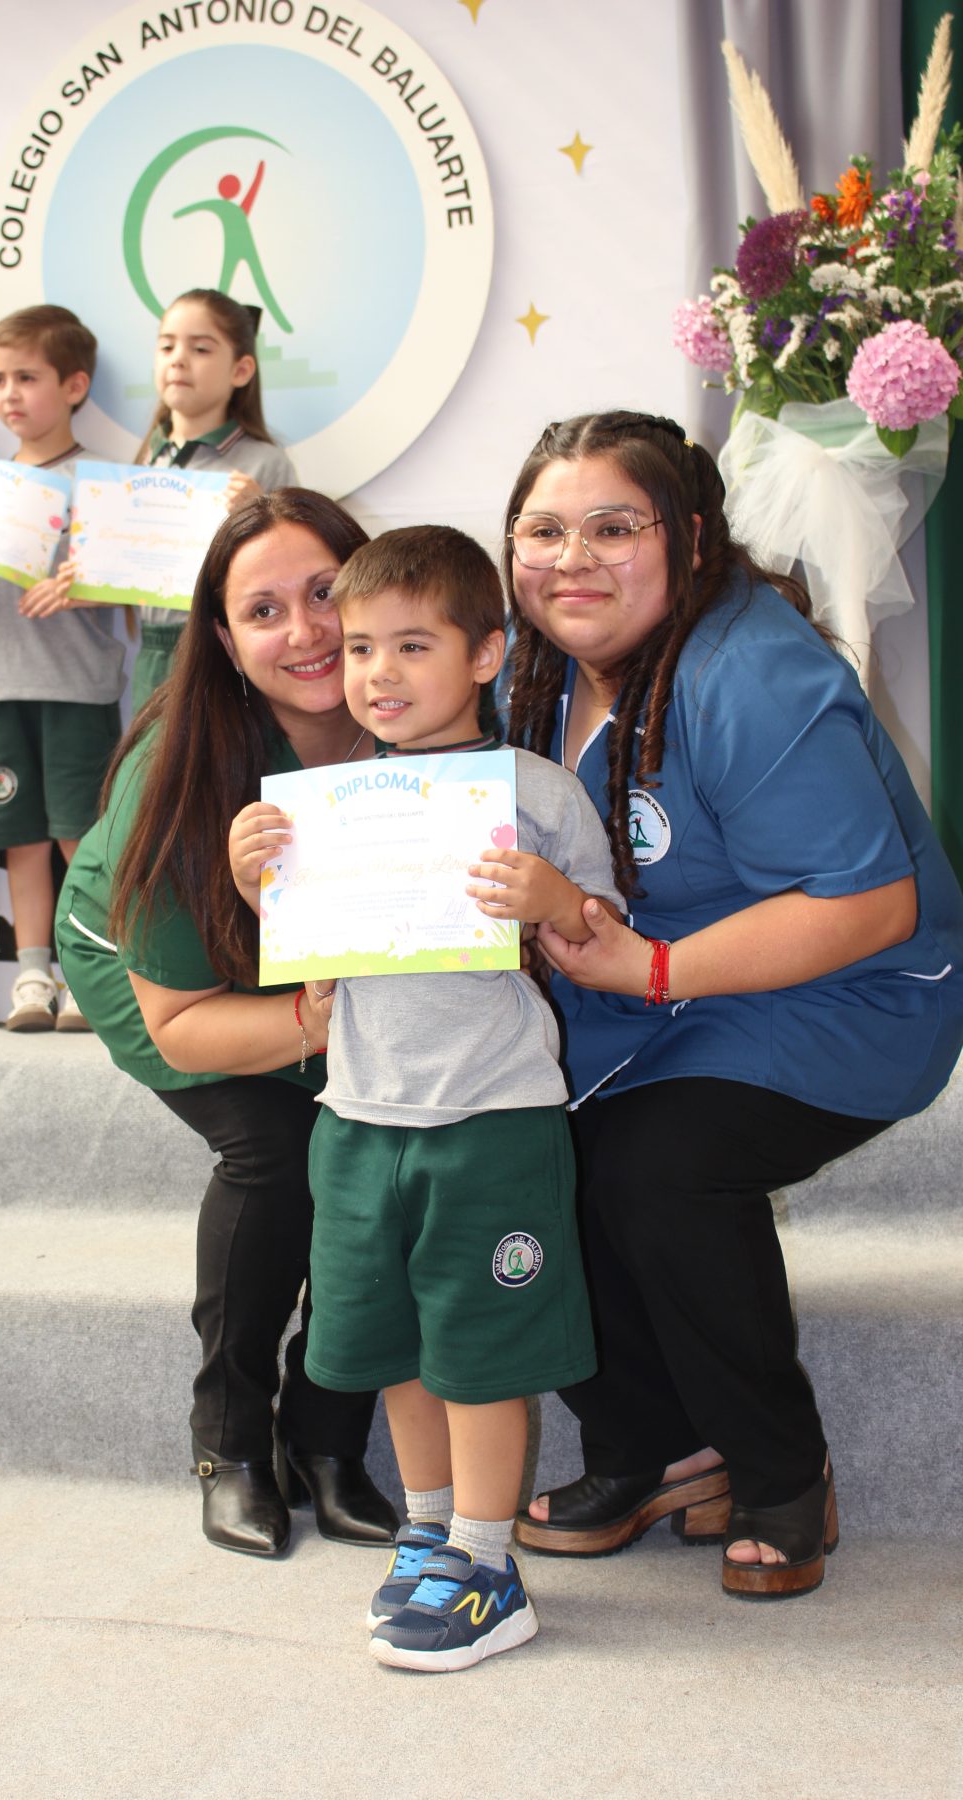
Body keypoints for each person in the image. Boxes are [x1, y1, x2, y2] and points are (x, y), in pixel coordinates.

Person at [501, 411, 963, 1600]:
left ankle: (779, 1467)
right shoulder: (533, 670)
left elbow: (869, 907)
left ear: (693, 537)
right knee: (509, 1152)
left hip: (843, 993)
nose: (572, 559)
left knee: (656, 1167)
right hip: (645, 996)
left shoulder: (752, 670)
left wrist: (651, 972)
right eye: (543, 531)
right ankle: (655, 1449)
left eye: (615, 527)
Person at [234, 525, 623, 1671]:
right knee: (400, 1345)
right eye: (361, 648)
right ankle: (429, 1531)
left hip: (491, 1120)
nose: (379, 673)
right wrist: (261, 880)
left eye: (413, 645)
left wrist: (555, 899)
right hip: (359, 1116)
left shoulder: (536, 792)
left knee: (479, 1354)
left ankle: (488, 1564)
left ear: (487, 652)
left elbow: (603, 939)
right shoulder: (327, 802)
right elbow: (314, 964)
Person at [57, 488, 396, 1558]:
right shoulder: (180, 764)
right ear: (223, 636)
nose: (305, 632)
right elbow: (184, 1028)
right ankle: (232, 1442)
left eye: (326, 593)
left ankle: (328, 1440)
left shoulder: (420, 709)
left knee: (392, 1146)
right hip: (169, 976)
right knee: (283, 1147)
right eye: (263, 611)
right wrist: (315, 1022)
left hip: (325, 978)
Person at [0, 304, 124, 1031]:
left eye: (27, 377)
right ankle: (33, 975)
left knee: (79, 838)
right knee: (21, 837)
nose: (10, 394)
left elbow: (132, 586)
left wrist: (87, 585)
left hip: (76, 688)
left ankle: (88, 975)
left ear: (74, 385)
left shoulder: (102, 483)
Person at [130, 288, 295, 710]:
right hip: (153, 652)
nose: (178, 360)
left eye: (200, 348)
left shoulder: (264, 463)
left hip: (227, 649)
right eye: (167, 346)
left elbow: (293, 567)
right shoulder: (145, 461)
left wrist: (260, 514)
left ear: (241, 370)